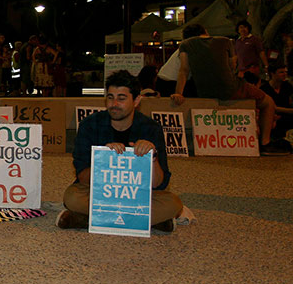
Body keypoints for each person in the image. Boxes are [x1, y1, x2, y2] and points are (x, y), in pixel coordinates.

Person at [57, 70, 183, 232]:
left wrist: (152, 157)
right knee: (72, 197)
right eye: (110, 98)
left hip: (137, 196)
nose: (114, 104)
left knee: (173, 204)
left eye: (121, 98)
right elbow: (82, 177)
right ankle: (148, 221)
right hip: (100, 193)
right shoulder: (90, 125)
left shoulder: (151, 128)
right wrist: (104, 159)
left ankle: (86, 220)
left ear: (136, 100)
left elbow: (159, 183)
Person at [172, 24, 289, 156]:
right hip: (230, 88)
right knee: (268, 102)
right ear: (205, 31)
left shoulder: (185, 45)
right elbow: (233, 65)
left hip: (204, 91)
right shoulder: (226, 41)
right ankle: (265, 143)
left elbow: (184, 70)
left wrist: (178, 93)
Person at [260, 62, 293, 144]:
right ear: (272, 74)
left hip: (286, 116)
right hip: (272, 117)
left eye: (285, 72)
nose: (284, 74)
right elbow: (270, 107)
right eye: (281, 72)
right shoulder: (264, 89)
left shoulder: (287, 86)